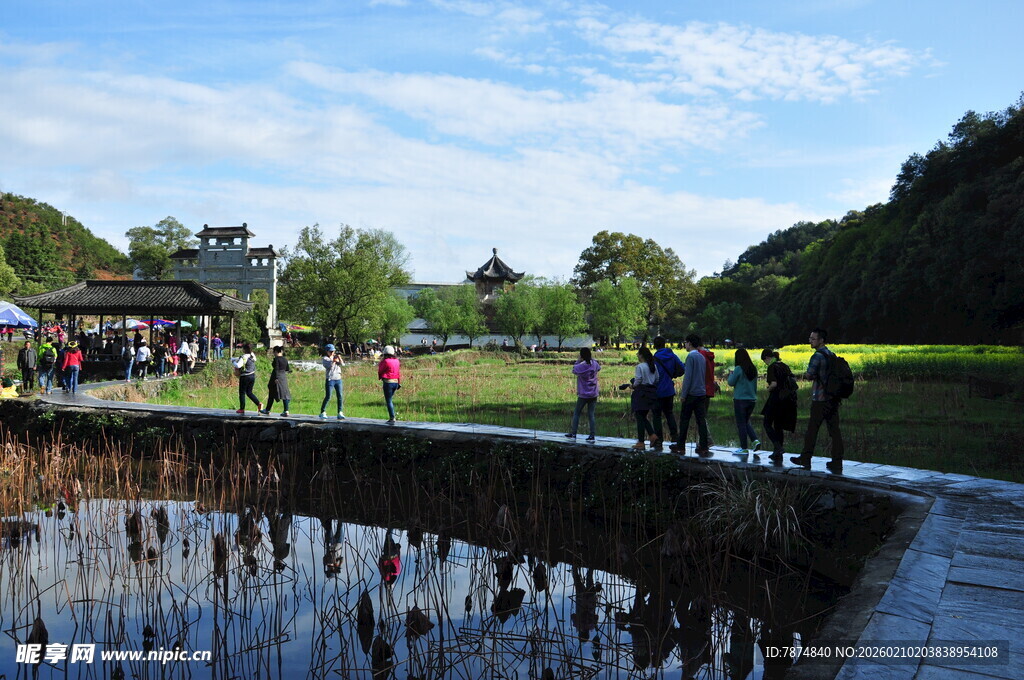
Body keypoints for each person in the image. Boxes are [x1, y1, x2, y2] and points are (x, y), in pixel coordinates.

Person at [791, 328, 845, 473]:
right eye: (810, 338)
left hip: (820, 399)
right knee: (834, 431)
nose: (810, 341)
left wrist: (808, 375)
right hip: (833, 399)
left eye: (813, 339)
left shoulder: (817, 356)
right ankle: (837, 461)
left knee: (812, 430)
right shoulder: (831, 355)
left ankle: (805, 458)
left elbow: (809, 375)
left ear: (821, 340)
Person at [671, 335, 710, 456]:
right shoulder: (702, 357)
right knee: (701, 420)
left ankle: (681, 445)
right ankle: (704, 446)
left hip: (691, 394)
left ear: (690, 343)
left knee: (684, 420)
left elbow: (688, 378)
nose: (685, 345)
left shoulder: (691, 356)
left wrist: (683, 394)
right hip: (701, 393)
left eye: (686, 343)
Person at [760, 348, 798, 463]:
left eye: (764, 361)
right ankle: (777, 454)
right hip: (787, 400)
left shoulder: (772, 366)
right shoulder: (784, 365)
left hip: (776, 399)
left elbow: (774, 384)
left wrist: (768, 388)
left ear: (767, 358)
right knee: (778, 425)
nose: (765, 363)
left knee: (767, 423)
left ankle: (778, 447)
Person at [623, 347, 659, 451]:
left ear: (642, 355)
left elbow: (638, 380)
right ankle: (651, 436)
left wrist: (632, 386)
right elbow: (657, 379)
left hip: (641, 393)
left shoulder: (640, 366)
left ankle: (642, 441)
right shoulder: (653, 366)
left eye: (638, 354)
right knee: (642, 416)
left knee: (639, 416)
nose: (637, 356)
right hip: (651, 393)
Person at [652, 336, 685, 450]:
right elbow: (682, 368)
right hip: (669, 390)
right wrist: (673, 374)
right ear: (665, 344)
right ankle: (675, 438)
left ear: (655, 346)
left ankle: (659, 441)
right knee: (669, 414)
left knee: (656, 416)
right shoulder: (672, 355)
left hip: (656, 391)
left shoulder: (654, 358)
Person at [726, 348, 759, 454]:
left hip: (740, 400)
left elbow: (730, 382)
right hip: (752, 400)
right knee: (745, 422)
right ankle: (755, 440)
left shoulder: (738, 369)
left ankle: (744, 448)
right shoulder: (753, 369)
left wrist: (730, 374)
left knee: (741, 424)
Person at [565, 347, 600, 442]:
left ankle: (573, 433)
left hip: (584, 393)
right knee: (591, 414)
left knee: (577, 413)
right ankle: (592, 435)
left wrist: (578, 361)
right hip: (594, 392)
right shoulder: (594, 363)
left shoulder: (581, 366)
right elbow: (599, 368)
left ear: (581, 355)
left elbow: (574, 370)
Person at [261, 346, 292, 416]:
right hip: (283, 376)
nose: (273, 354)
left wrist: (276, 378)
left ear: (275, 352)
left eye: (274, 352)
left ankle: (267, 409)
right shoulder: (285, 359)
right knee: (285, 393)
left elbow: (276, 368)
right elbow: (287, 369)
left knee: (271, 393)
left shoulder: (276, 359)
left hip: (276, 376)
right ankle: (286, 410)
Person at [234, 343, 263, 414]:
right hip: (252, 376)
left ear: (244, 349)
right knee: (249, 392)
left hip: (245, 376)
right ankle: (258, 403)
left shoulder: (244, 356)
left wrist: (233, 362)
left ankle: (242, 408)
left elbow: (238, 365)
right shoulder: (252, 355)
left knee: (242, 393)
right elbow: (245, 359)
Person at [320, 344, 345, 419]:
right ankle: (322, 411)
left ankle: (340, 412)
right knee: (328, 396)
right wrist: (333, 361)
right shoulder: (325, 359)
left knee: (340, 396)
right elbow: (329, 366)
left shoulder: (336, 357)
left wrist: (339, 358)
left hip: (338, 379)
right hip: (330, 379)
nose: (332, 353)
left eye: (333, 351)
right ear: (327, 352)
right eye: (330, 351)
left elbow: (343, 364)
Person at [378, 345, 401, 423]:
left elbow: (380, 370)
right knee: (390, 399)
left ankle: (392, 417)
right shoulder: (397, 361)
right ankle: (393, 415)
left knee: (389, 401)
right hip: (396, 382)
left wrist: (381, 362)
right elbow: (398, 372)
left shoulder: (385, 361)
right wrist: (399, 382)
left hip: (388, 382)